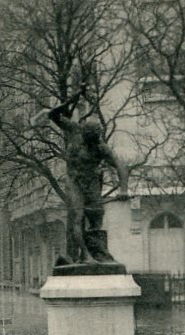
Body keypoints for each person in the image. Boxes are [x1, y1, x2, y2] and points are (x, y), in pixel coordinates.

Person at [47, 84, 130, 264]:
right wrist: (72, 98)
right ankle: (85, 256)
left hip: (92, 181)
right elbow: (52, 114)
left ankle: (98, 252)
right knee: (77, 217)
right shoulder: (74, 130)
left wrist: (124, 189)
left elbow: (120, 165)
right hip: (74, 180)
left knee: (96, 217)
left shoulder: (100, 147)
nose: (91, 144)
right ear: (83, 134)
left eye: (94, 141)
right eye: (88, 140)